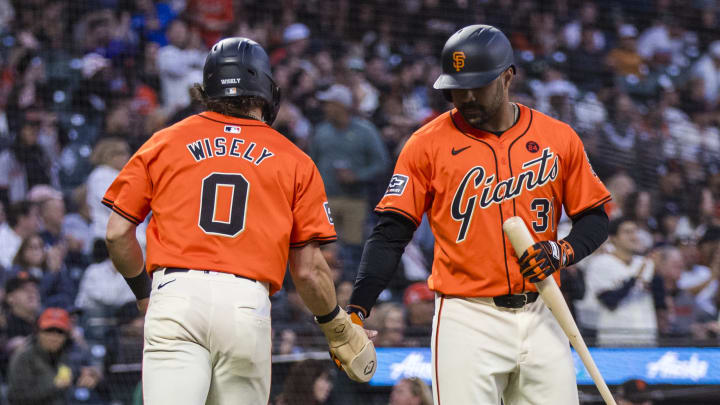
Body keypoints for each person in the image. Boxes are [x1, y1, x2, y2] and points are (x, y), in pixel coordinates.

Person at [347, 24, 611, 404]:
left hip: (543, 309)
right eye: (456, 86)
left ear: (507, 78)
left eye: (478, 85)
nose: (465, 96)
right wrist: (358, 309)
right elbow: (391, 232)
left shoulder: (559, 137)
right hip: (467, 317)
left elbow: (595, 217)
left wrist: (562, 251)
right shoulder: (425, 144)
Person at [103, 37, 375, 404]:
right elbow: (309, 271)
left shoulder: (164, 142)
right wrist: (335, 324)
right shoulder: (294, 159)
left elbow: (118, 234)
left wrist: (142, 294)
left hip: (175, 296)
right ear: (265, 90)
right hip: (246, 303)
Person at [584, 217, 664, 346]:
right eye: (627, 232)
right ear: (613, 237)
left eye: (635, 232)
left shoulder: (646, 263)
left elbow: (660, 301)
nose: (633, 237)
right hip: (615, 338)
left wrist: (658, 276)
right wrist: (635, 278)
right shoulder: (601, 263)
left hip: (646, 336)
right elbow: (609, 301)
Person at [7, 307, 103, 405]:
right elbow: (15, 397)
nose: (54, 337)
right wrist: (54, 386)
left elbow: (93, 368)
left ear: (67, 336)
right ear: (38, 332)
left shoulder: (72, 352)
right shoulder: (24, 357)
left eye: (60, 332)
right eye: (49, 331)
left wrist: (93, 375)